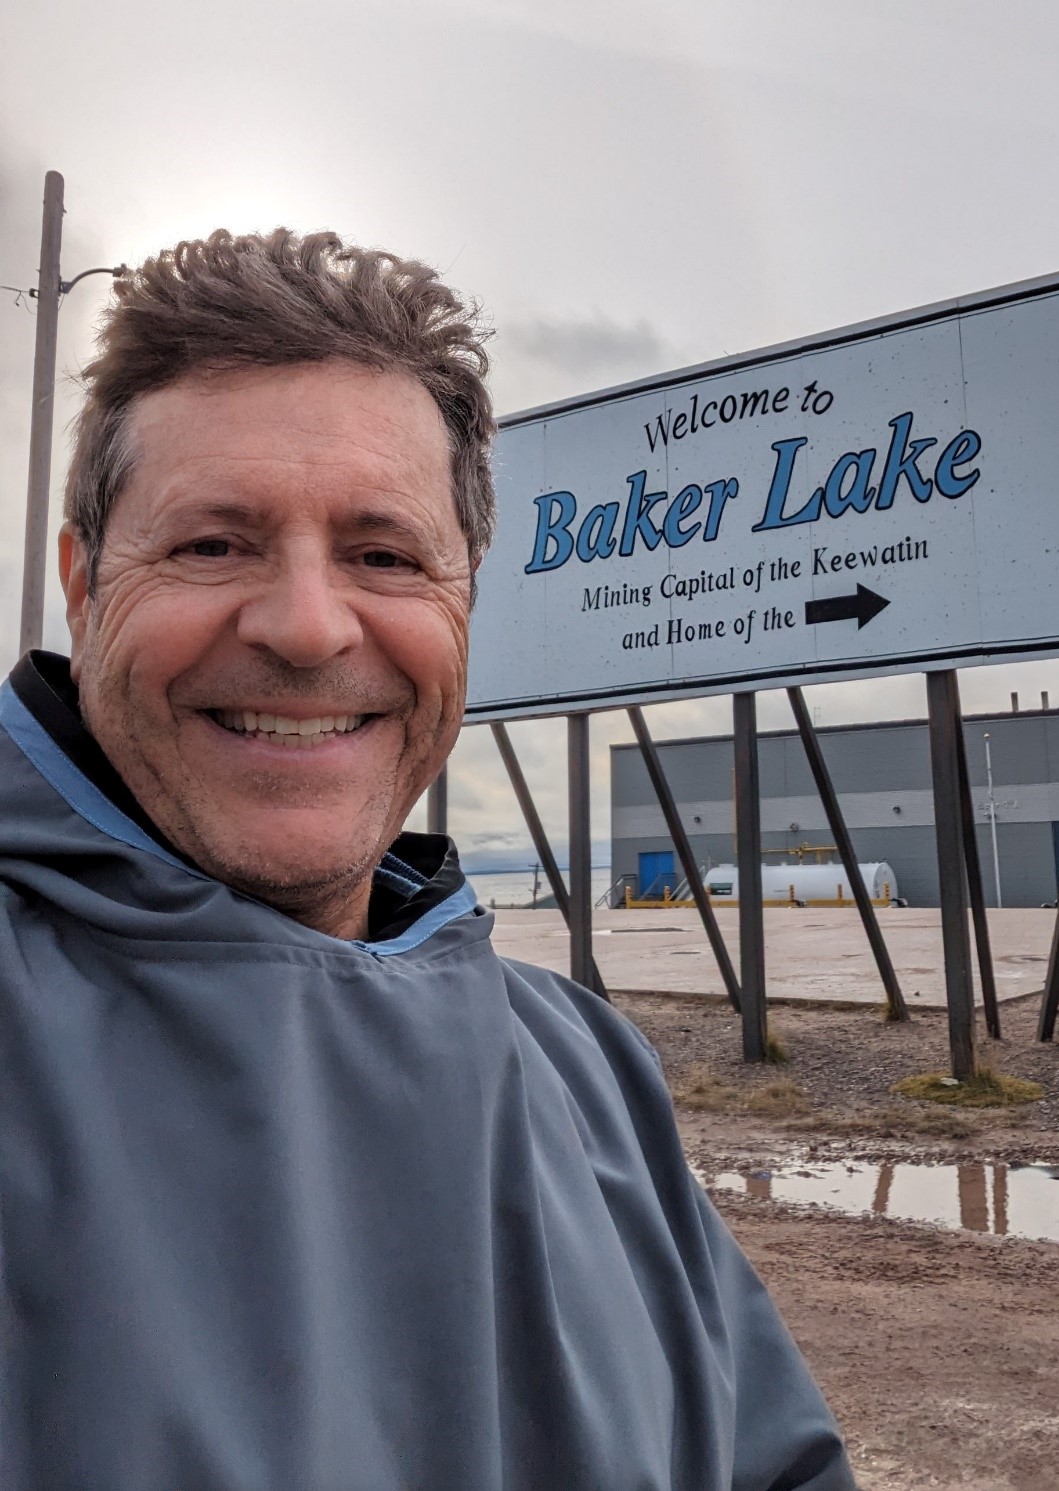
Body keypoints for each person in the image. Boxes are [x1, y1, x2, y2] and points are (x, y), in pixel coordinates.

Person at [0, 229, 855, 1490]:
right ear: (83, 585)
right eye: (211, 544)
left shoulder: (586, 1065)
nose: (304, 625)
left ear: (461, 603)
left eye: (383, 555)